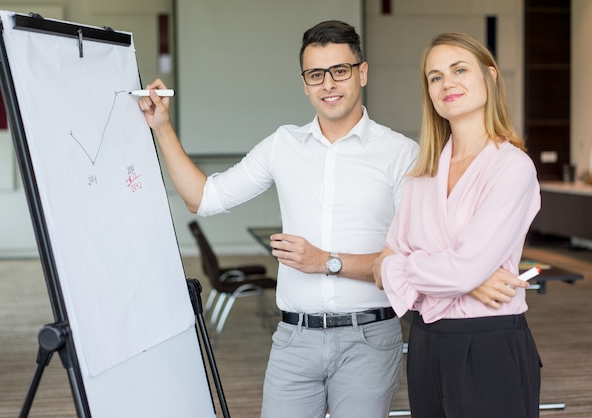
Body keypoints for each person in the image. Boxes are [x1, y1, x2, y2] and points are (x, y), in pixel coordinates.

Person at [139, 20, 418, 418]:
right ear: (304, 83)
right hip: (294, 339)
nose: (329, 85)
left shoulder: (401, 153)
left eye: (340, 71)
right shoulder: (283, 145)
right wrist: (162, 127)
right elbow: (202, 198)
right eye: (315, 74)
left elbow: (407, 264)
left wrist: (324, 261)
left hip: (369, 338)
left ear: (363, 73)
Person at [373, 32, 542, 418]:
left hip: (488, 344)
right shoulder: (421, 173)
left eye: (459, 69)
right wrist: (464, 276)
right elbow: (380, 265)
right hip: (426, 342)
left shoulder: (511, 168)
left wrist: (420, 268)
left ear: (491, 77)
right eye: (435, 77)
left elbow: (455, 269)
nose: (446, 82)